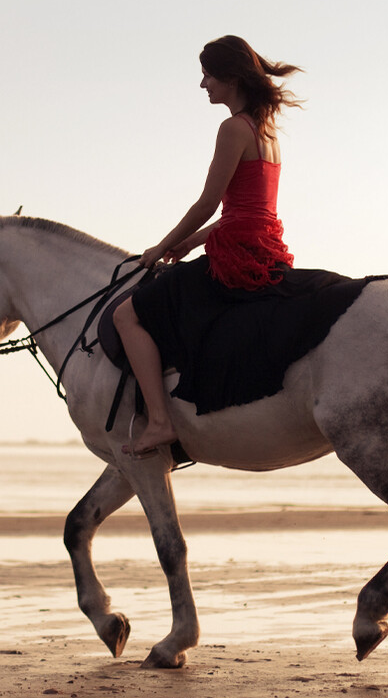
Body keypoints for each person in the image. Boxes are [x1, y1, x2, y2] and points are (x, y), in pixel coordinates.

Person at [114, 35, 304, 457]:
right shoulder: (266, 131)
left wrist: (159, 246)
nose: (203, 85)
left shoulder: (233, 128)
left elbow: (209, 202)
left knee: (127, 315)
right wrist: (190, 243)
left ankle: (161, 423)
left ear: (231, 77)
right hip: (261, 245)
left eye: (208, 75)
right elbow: (244, 210)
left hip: (237, 253)